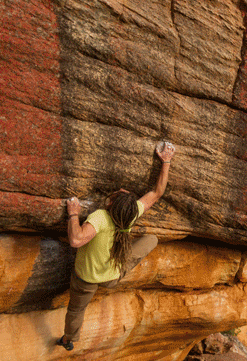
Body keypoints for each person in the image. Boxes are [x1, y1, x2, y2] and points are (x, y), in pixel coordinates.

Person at [58, 141, 176, 350]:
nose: (121, 189)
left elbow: (76, 240)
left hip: (86, 278)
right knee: (151, 240)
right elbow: (157, 192)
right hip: (112, 276)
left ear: (110, 204)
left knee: (76, 310)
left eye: (118, 194)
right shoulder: (131, 214)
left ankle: (68, 340)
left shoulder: (101, 218)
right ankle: (118, 270)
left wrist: (73, 213)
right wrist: (166, 161)